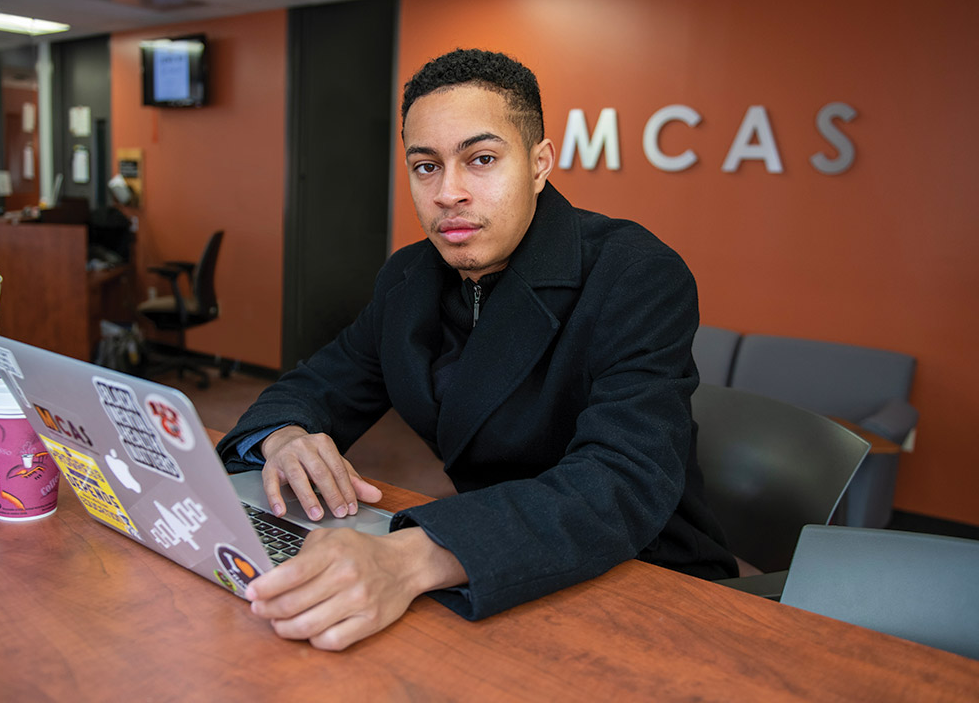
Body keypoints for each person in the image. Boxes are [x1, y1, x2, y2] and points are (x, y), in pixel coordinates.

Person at [216, 48, 738, 651]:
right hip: (491, 562)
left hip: (646, 579)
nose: (449, 193)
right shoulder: (408, 278)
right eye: (426, 167)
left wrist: (414, 557)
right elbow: (319, 383)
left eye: (481, 159)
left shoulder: (636, 272)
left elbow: (620, 480)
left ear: (540, 163)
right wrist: (284, 434)